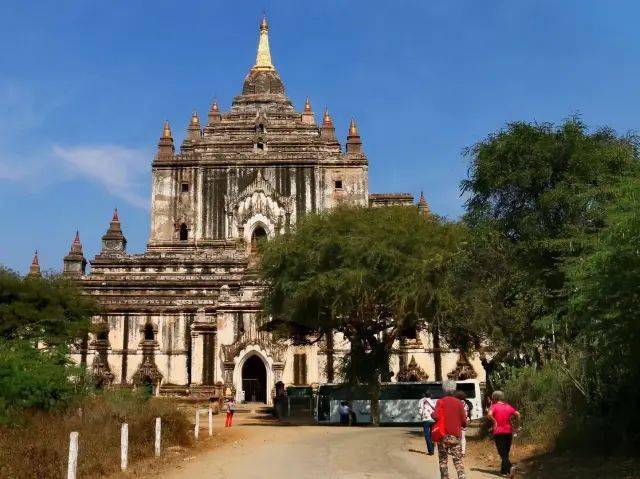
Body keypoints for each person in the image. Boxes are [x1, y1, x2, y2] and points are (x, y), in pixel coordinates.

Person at [432, 380, 467, 479]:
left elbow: (436, 416)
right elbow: (464, 422)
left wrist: (432, 415)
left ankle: (445, 477)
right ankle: (462, 477)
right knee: (458, 460)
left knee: (443, 459)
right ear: (454, 389)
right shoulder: (459, 403)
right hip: (455, 435)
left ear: (444, 389)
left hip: (442, 435)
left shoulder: (440, 401)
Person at [487, 390, 521, 477]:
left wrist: (494, 422)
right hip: (508, 431)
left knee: (502, 453)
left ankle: (510, 468)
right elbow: (518, 414)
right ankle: (504, 471)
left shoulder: (493, 406)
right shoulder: (508, 406)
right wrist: (517, 426)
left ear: (494, 398)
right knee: (505, 452)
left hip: (498, 432)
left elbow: (489, 415)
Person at [453, 391, 472, 455]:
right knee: (463, 437)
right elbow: (468, 413)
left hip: (457, 422)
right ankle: (463, 451)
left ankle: (458, 450)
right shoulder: (467, 404)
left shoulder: (456, 404)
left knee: (457, 437)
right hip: (464, 422)